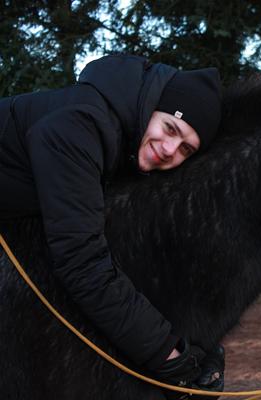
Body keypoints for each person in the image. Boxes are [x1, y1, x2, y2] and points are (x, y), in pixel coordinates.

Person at [0, 54, 224, 396]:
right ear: (150, 108)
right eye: (170, 128)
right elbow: (83, 261)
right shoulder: (81, 127)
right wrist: (168, 356)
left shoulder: (118, 141)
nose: (169, 150)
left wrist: (190, 341)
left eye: (185, 149)